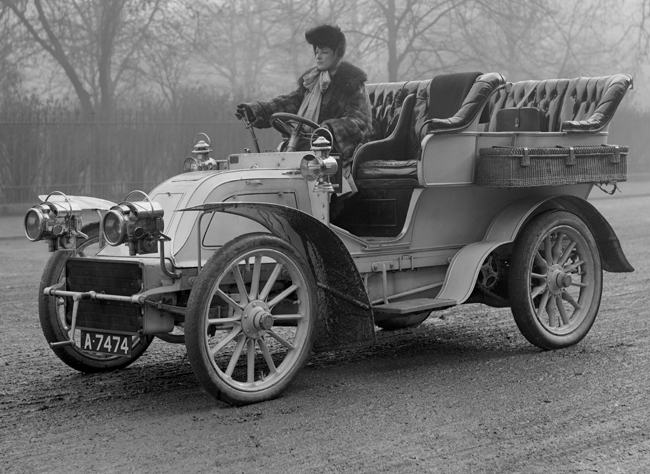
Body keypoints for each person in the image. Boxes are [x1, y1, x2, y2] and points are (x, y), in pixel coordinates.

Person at [236, 24, 374, 195]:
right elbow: (288, 103)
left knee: (311, 162)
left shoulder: (352, 84)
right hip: (304, 145)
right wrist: (257, 110)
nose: (318, 56)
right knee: (278, 159)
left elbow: (361, 122)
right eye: (316, 51)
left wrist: (328, 130)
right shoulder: (311, 81)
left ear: (337, 53)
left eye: (324, 52)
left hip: (334, 152)